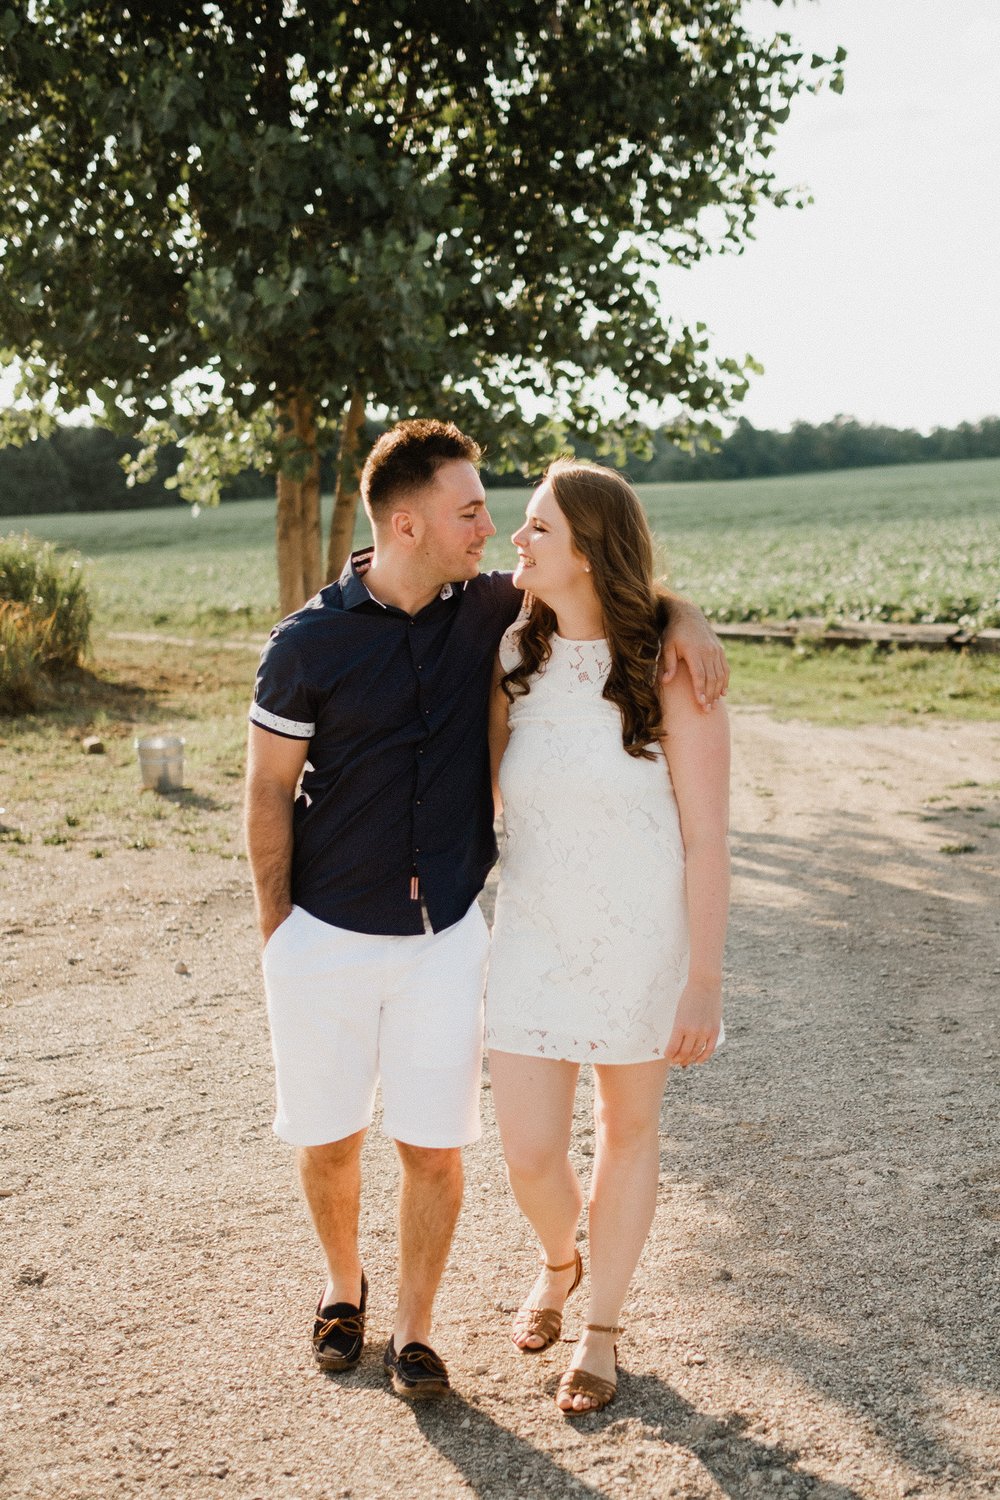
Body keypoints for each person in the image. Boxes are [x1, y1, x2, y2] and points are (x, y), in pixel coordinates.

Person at [244, 421, 727, 1401]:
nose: (501, 533)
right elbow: (270, 788)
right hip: (427, 936)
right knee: (428, 1146)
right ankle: (450, 1274)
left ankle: (513, 1329)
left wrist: (685, 620)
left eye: (521, 521)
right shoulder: (404, 640)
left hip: (545, 943)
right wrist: (279, 933)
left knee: (533, 1139)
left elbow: (623, 593)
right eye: (479, 514)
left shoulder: (579, 640)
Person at [485, 459, 730, 1416]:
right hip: (536, 936)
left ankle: (603, 1330)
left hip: (642, 939)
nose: (519, 539)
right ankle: (559, 1259)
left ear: (587, 551)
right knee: (529, 1153)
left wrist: (702, 979)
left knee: (628, 1132)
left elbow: (707, 836)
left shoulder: (667, 664)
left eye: (538, 527)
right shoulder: (510, 655)